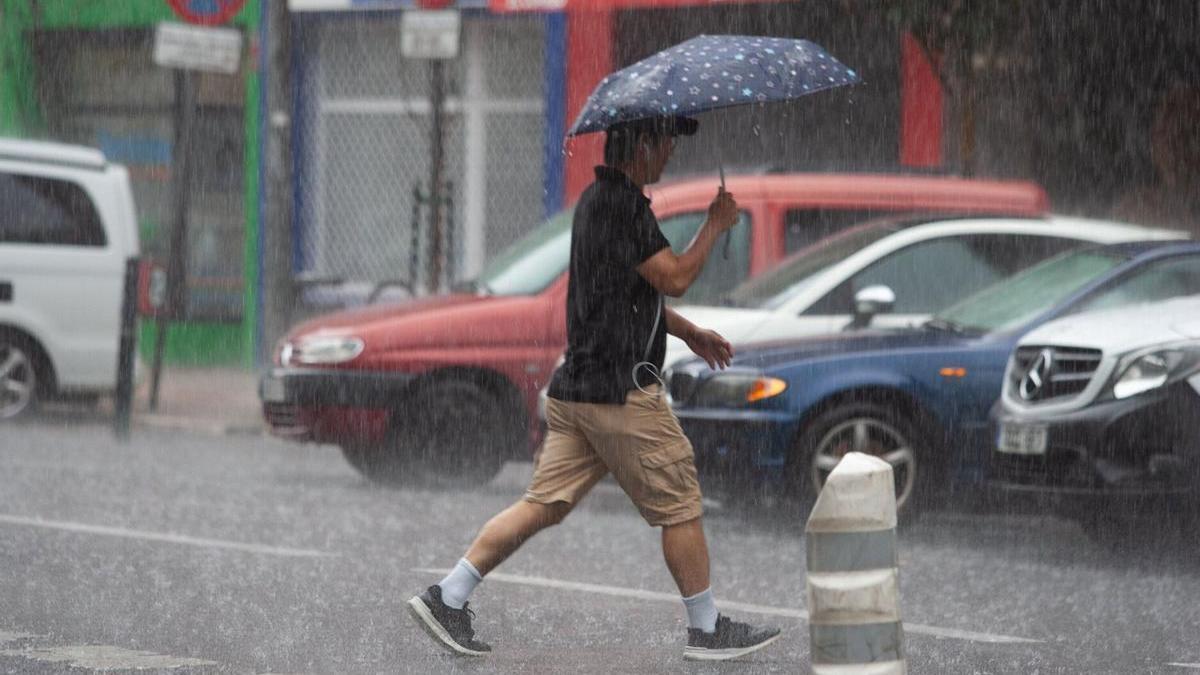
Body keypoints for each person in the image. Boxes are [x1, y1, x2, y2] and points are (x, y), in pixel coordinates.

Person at [407, 115, 782, 661]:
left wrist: (691, 332)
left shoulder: (596, 202)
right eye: (668, 142)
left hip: (578, 389)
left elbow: (635, 293)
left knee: (544, 504)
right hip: (621, 395)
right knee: (680, 506)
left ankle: (447, 595)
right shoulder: (624, 207)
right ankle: (706, 630)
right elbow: (675, 276)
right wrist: (715, 226)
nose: (671, 153)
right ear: (644, 145)